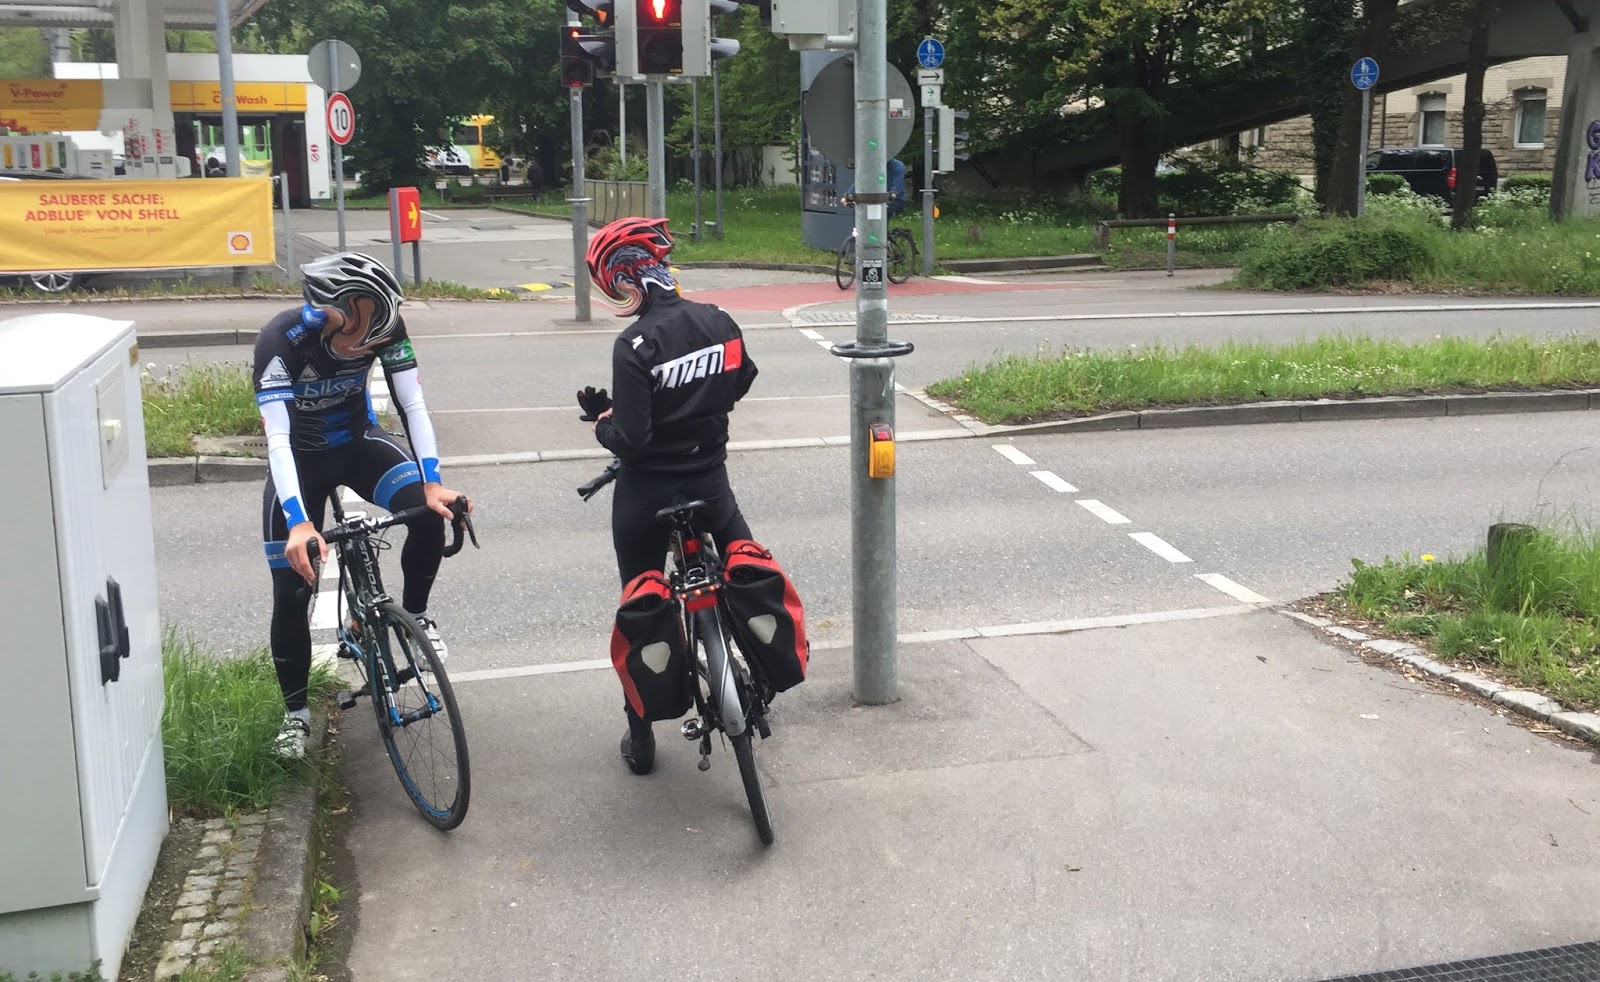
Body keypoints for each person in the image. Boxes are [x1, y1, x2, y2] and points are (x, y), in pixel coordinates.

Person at [255, 252, 471, 758]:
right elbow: (279, 440)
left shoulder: (386, 328)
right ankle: (296, 715)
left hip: (358, 443)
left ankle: (415, 617)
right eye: (367, 313)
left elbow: (411, 404)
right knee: (290, 590)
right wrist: (300, 522)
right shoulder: (281, 340)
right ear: (333, 308)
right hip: (302, 460)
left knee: (426, 511)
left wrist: (434, 482)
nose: (377, 329)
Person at [578, 216, 760, 776]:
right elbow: (743, 378)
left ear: (626, 276)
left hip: (648, 493)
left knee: (640, 601)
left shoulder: (635, 342)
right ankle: (763, 670)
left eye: (612, 284)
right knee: (748, 571)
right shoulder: (719, 320)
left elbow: (631, 441)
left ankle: (642, 738)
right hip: (710, 481)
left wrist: (603, 424)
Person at [841, 157, 908, 218]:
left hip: (895, 200)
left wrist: (891, 195)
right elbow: (862, 180)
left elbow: (896, 188)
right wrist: (849, 195)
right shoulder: (872, 165)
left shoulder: (897, 165)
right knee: (859, 213)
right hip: (874, 198)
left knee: (876, 215)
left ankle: (879, 230)